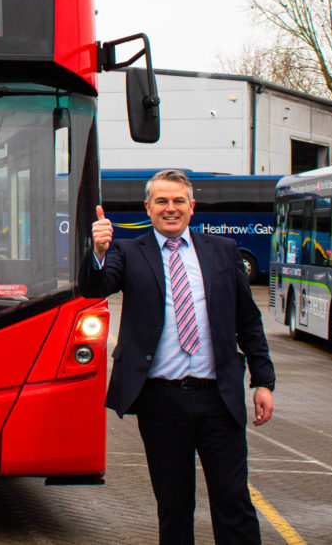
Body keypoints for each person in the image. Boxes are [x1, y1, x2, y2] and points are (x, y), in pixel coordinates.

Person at [81, 169, 275, 545]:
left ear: (192, 206)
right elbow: (96, 287)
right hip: (161, 401)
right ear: (148, 208)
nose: (171, 209)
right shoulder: (127, 252)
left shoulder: (223, 251)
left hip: (219, 398)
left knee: (233, 501)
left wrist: (263, 381)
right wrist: (99, 252)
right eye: (162, 202)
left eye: (178, 201)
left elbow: (248, 321)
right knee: (173, 505)